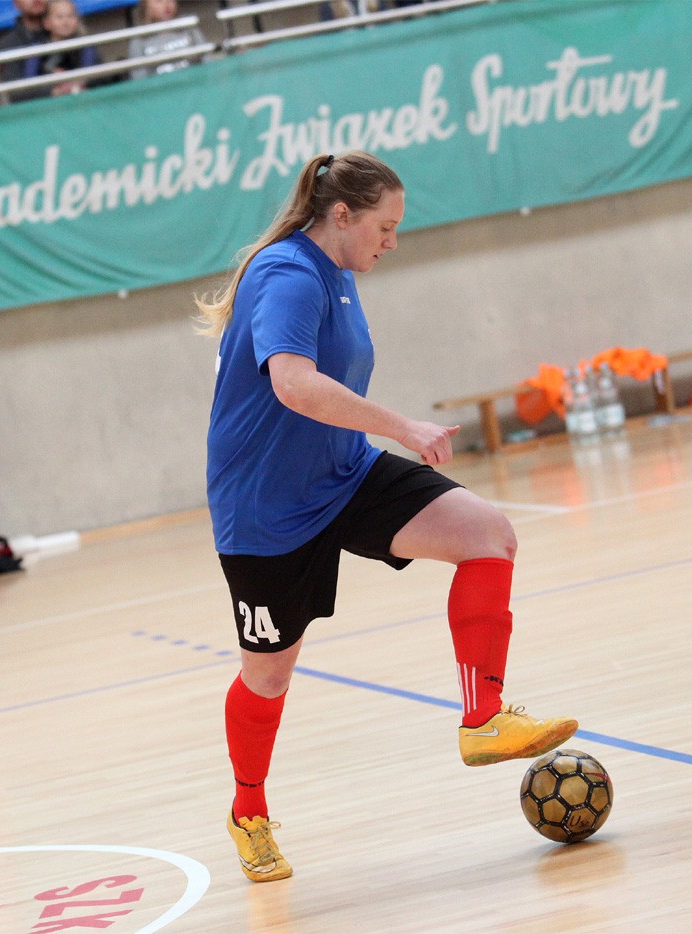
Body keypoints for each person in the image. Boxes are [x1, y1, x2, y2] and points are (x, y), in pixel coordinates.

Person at [197, 151, 578, 883]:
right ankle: (248, 811)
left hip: (343, 475)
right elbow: (293, 385)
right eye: (385, 227)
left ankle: (484, 718)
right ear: (341, 215)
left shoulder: (338, 272)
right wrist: (404, 426)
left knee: (487, 534)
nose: (392, 242)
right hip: (265, 509)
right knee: (267, 678)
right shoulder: (287, 273)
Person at [22, 0, 108, 96]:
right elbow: (28, 83)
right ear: (46, 23)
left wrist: (76, 83)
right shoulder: (38, 48)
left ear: (77, 20)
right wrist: (52, 87)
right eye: (59, 17)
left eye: (70, 16)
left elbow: (95, 74)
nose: (65, 22)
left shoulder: (85, 45)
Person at [126, 0, 206, 81]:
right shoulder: (139, 39)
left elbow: (206, 59)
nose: (167, 5)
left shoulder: (188, 26)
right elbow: (139, 77)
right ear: (146, 7)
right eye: (159, 1)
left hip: (193, 82)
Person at [0, 0, 49, 102]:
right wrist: (52, 90)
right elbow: (16, 94)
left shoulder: (67, 32)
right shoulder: (8, 45)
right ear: (16, 3)